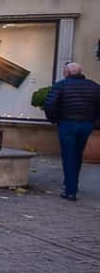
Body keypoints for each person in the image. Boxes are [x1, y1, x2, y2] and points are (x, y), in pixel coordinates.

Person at [42, 62, 100, 201]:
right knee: (77, 154)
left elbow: (49, 105)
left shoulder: (61, 85)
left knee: (69, 155)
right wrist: (94, 121)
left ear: (67, 72)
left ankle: (70, 190)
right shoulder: (94, 86)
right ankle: (72, 184)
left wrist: (54, 119)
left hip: (67, 124)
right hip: (86, 125)